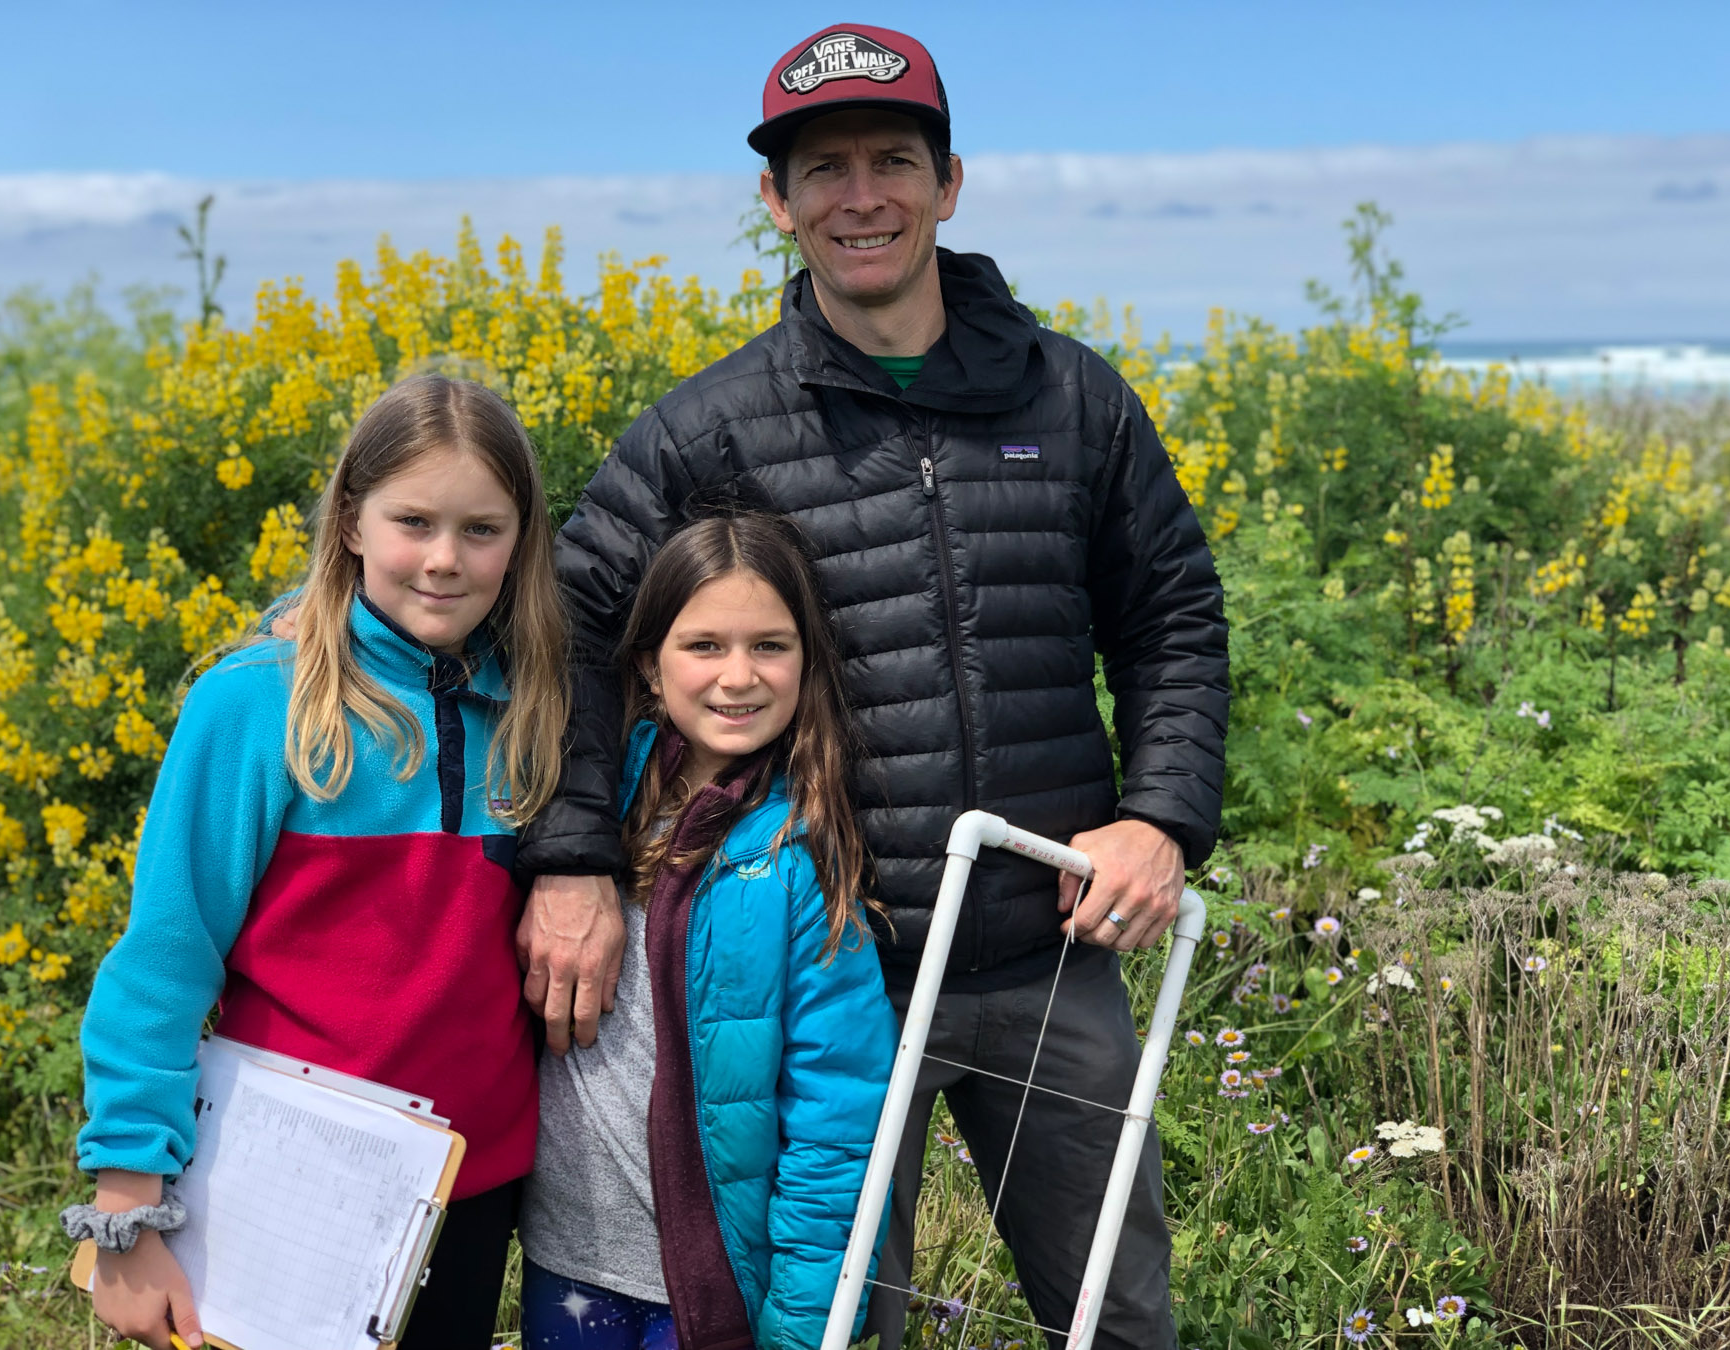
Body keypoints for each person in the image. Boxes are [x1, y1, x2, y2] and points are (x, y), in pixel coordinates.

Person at [516, 24, 1229, 1349]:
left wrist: (1162, 815)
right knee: (831, 1321)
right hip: (829, 960)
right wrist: (567, 857)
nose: (862, 198)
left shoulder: (1074, 399)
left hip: (1045, 952)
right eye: (823, 169)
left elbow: (1173, 612)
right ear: (775, 201)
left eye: (893, 160)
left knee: (1120, 1316)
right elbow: (564, 628)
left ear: (949, 182)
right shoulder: (705, 430)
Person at [62, 375, 567, 1350]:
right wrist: (127, 1194)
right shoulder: (257, 701)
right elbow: (167, 959)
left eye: (482, 529)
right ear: (348, 521)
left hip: (471, 1177)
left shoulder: (539, 703)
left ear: (523, 538)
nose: (443, 559)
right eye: (412, 521)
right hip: (282, 1177)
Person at [517, 511, 897, 1350]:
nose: (738, 676)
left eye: (769, 645)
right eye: (704, 646)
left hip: (710, 1285)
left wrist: (802, 1329)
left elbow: (836, 1120)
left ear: (807, 664)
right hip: (564, 1261)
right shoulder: (581, 800)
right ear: (650, 667)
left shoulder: (802, 857)